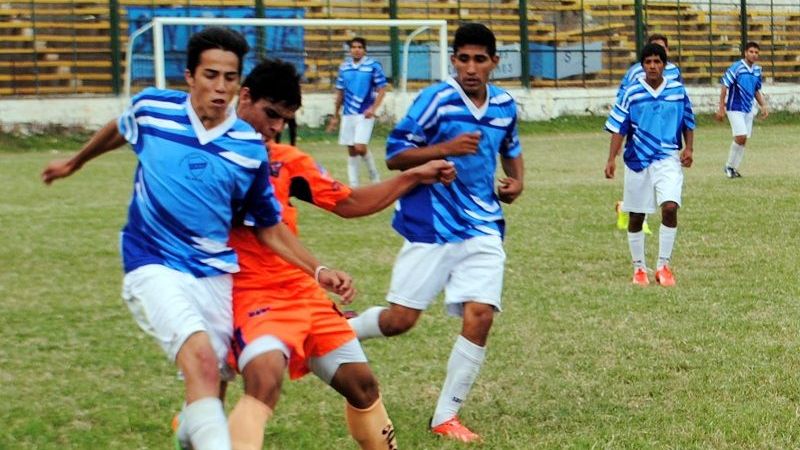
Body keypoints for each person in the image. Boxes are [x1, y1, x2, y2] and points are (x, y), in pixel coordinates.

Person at [40, 28, 352, 450]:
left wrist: (317, 268)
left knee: (212, 385)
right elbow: (122, 127)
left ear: (239, 83)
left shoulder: (248, 149)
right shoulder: (153, 109)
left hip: (214, 275)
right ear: (189, 76)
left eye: (229, 77)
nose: (220, 87)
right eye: (210, 75)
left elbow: (266, 225)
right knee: (203, 363)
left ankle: (189, 433)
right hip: (153, 262)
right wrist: (75, 162)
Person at [224, 57, 455, 450]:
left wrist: (413, 175)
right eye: (271, 114)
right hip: (246, 294)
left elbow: (349, 203)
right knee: (262, 383)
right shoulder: (213, 156)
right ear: (244, 97)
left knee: (362, 386)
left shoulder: (286, 162)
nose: (275, 127)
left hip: (301, 292)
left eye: (284, 120)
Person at [347, 23, 524, 443]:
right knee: (400, 321)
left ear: (495, 62)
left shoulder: (504, 105)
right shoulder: (436, 100)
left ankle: (446, 416)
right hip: (432, 223)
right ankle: (340, 330)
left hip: (483, 224)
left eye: (480, 59)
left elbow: (511, 149)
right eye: (463, 59)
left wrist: (516, 182)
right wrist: (445, 149)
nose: (471, 68)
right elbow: (395, 155)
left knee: (481, 314)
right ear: (453, 60)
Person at [604, 43, 695, 287]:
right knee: (636, 215)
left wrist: (689, 148)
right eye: (648, 62)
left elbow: (688, 120)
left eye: (657, 61)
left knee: (670, 207)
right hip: (638, 159)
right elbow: (619, 127)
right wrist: (611, 159)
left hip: (668, 157)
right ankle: (639, 268)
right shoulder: (632, 92)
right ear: (642, 65)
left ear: (664, 65)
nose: (653, 66)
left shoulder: (677, 91)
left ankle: (663, 266)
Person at [614, 33, 681, 233]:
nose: (653, 65)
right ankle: (632, 212)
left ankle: (626, 208)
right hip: (641, 136)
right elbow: (623, 101)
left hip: (665, 142)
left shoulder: (674, 74)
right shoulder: (635, 74)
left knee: (665, 192)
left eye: (662, 48)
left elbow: (678, 104)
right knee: (641, 189)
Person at [326, 37, 388, 187]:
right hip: (348, 113)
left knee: (360, 147)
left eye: (360, 47)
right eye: (353, 47)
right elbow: (340, 92)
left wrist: (373, 108)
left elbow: (382, 89)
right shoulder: (344, 67)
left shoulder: (373, 66)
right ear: (350, 50)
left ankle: (374, 175)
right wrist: (336, 115)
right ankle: (354, 185)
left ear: (364, 50)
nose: (357, 50)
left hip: (364, 113)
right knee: (351, 150)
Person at [715, 41, 768, 178]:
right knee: (741, 136)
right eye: (751, 52)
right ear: (745, 53)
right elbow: (725, 86)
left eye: (756, 52)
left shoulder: (757, 70)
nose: (754, 54)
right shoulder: (736, 68)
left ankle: (733, 168)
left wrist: (763, 105)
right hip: (735, 107)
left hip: (748, 109)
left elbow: (756, 90)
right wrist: (721, 107)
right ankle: (728, 166)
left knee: (743, 139)